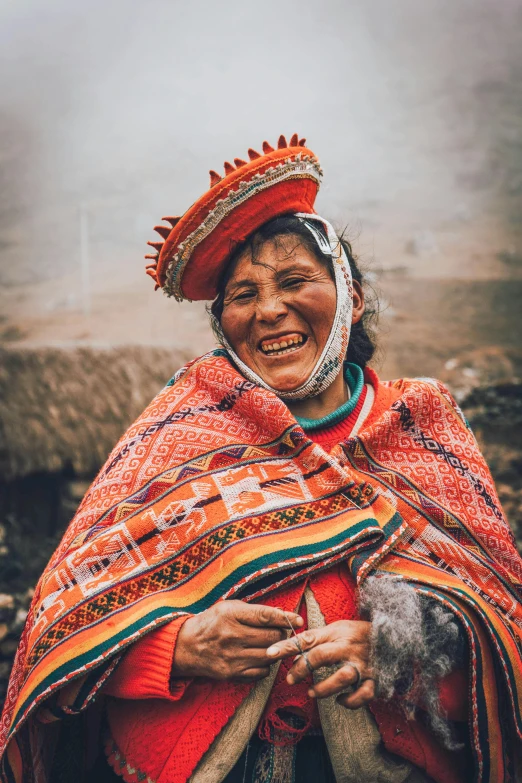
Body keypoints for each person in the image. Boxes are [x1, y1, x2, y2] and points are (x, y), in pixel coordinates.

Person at [1, 134, 522, 783]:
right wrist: (176, 649)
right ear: (224, 323)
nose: (269, 309)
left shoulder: (419, 422)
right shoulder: (178, 430)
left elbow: (500, 625)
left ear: (351, 298)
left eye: (295, 280)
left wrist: (392, 647)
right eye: (242, 295)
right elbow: (64, 625)